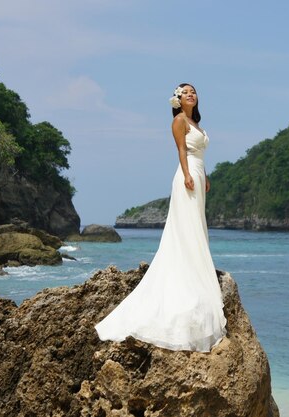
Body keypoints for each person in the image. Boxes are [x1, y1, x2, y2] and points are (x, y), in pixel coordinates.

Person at [94, 83, 227, 352]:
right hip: (187, 177)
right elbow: (181, 151)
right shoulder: (179, 121)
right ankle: (188, 272)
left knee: (196, 227)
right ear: (178, 99)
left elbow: (198, 152)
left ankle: (196, 267)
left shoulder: (195, 121)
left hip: (199, 175)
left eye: (194, 92)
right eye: (186, 92)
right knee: (186, 227)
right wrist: (189, 175)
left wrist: (205, 176)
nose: (191, 94)